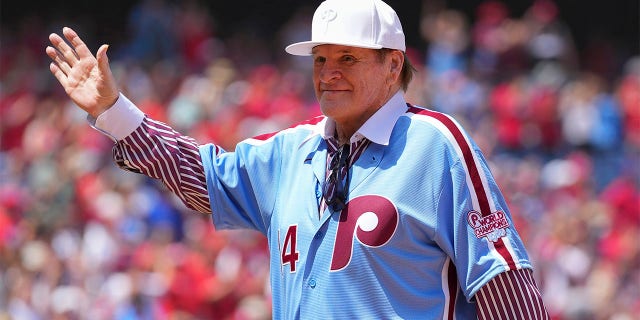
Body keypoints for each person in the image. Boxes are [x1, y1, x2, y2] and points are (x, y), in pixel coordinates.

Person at [46, 0, 550, 318]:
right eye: (320, 59)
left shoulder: (436, 143)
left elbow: (503, 280)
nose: (328, 73)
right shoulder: (293, 150)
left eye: (347, 58)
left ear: (393, 64)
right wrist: (114, 112)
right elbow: (203, 176)